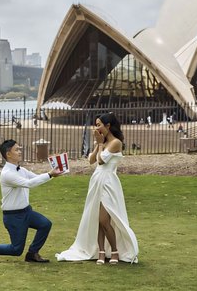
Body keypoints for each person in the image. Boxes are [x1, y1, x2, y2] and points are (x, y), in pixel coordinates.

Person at [55, 113, 138, 264]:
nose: (96, 128)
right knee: (98, 219)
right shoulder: (103, 142)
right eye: (96, 124)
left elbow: (101, 161)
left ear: (108, 126)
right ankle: (101, 252)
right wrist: (98, 145)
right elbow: (91, 160)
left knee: (104, 219)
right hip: (97, 180)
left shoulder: (116, 143)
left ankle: (115, 252)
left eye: (99, 124)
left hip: (108, 182)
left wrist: (100, 144)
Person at [0, 139, 64, 263]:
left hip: (27, 212)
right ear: (8, 154)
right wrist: (50, 174)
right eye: (16, 149)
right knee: (16, 250)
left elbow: (36, 178)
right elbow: (28, 184)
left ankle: (32, 254)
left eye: (19, 149)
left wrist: (53, 172)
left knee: (45, 224)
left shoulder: (21, 170)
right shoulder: (7, 174)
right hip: (14, 216)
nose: (20, 151)